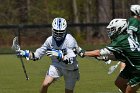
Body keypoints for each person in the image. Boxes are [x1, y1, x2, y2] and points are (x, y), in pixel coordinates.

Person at [17, 17, 83, 93]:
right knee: (45, 84)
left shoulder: (70, 40)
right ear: (52, 29)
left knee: (68, 91)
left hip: (71, 68)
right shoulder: (49, 40)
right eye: (56, 31)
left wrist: (59, 55)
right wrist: (24, 53)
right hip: (56, 66)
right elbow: (37, 55)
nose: (58, 34)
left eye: (60, 32)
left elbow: (70, 60)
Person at [81, 18, 140, 93]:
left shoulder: (120, 40)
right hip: (131, 66)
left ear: (120, 29)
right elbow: (122, 56)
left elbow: (99, 52)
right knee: (119, 82)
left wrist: (83, 52)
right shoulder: (127, 37)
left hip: (137, 69)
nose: (110, 32)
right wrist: (106, 57)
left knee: (128, 91)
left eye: (112, 29)